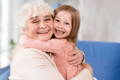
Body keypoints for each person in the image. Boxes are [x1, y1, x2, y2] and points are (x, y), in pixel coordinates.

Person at [9, 1, 85, 80]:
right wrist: (88, 71)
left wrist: (82, 56)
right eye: (35, 21)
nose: (43, 26)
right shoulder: (30, 56)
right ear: (24, 28)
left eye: (47, 19)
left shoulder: (55, 41)